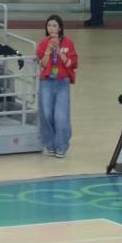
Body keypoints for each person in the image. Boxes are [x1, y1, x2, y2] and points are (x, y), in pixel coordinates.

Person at [36, 14, 78, 158]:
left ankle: (61, 145)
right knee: (46, 114)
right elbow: (43, 64)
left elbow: (71, 63)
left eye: (54, 25)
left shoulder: (68, 43)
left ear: (60, 28)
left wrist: (59, 50)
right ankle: (49, 144)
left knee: (61, 116)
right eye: (49, 25)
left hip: (62, 82)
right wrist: (48, 50)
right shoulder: (43, 43)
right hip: (47, 82)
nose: (51, 28)